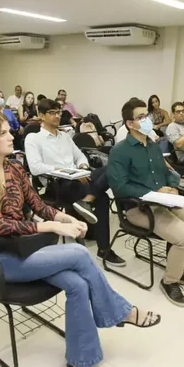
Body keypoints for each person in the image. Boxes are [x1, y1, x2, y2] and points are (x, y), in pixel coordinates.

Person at [0, 107, 160, 367]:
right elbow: (0, 226)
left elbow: (38, 204)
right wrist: (51, 227)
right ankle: (122, 312)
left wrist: (65, 218)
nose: (11, 135)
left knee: (78, 284)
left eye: (7, 130)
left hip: (25, 249)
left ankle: (82, 362)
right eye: (2, 133)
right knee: (79, 254)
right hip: (0, 258)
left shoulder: (14, 168)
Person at [108, 97, 184, 307]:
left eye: (147, 115)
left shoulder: (152, 145)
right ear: (129, 123)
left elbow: (167, 171)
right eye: (140, 117)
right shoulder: (120, 151)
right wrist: (154, 191)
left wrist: (171, 186)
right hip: (139, 208)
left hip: (167, 199)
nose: (147, 119)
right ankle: (170, 281)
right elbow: (120, 188)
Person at [25, 99, 126, 266]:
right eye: (52, 113)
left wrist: (82, 166)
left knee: (111, 167)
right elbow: (35, 168)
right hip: (56, 185)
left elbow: (79, 156)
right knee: (102, 197)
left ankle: (88, 202)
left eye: (58, 112)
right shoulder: (34, 138)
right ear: (41, 116)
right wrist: (68, 172)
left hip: (78, 179)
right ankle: (103, 246)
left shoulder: (65, 136)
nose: (57, 116)